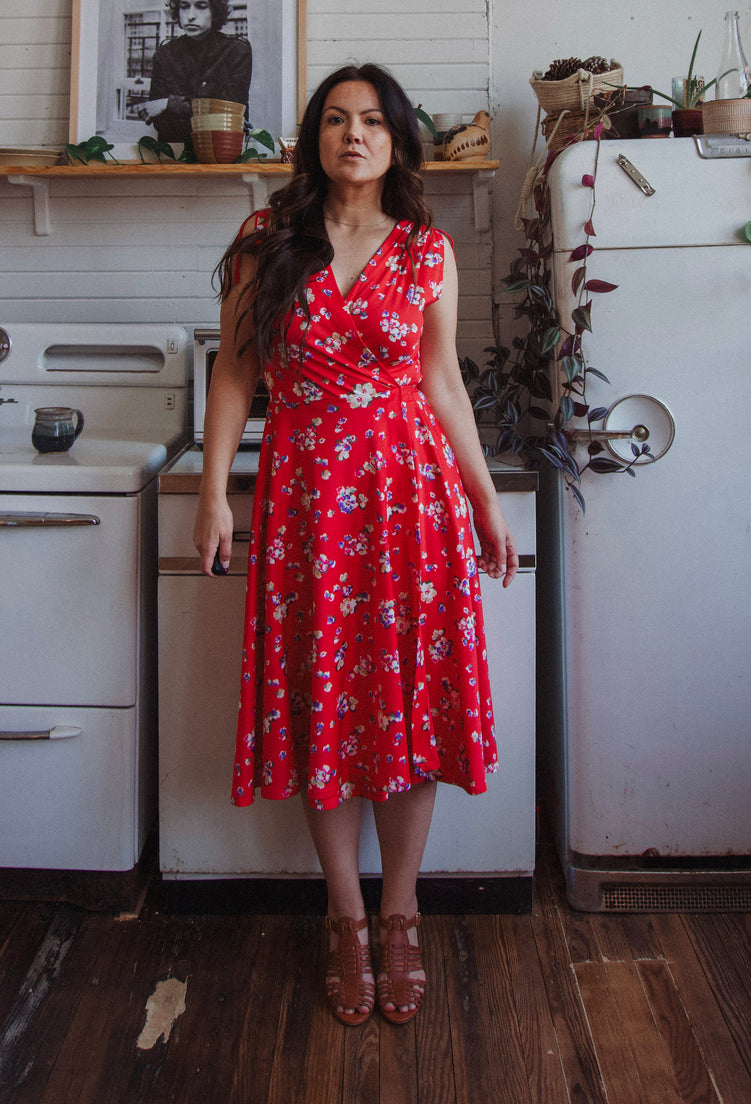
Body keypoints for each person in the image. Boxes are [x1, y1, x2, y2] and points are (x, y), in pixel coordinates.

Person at [193, 62, 519, 1027]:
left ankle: (402, 912)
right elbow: (235, 381)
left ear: (397, 139)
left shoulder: (426, 248)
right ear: (315, 137)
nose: (353, 135)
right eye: (335, 120)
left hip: (411, 504)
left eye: (372, 121)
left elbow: (443, 390)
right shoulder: (266, 241)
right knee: (327, 709)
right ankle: (345, 919)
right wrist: (214, 496)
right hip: (305, 508)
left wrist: (485, 501)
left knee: (407, 707)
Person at [138, 0, 252, 143]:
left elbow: (230, 114)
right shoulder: (164, 54)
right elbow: (161, 123)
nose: (190, 16)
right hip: (174, 151)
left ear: (215, 11)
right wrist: (210, 111)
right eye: (184, 7)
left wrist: (168, 104)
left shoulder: (237, 51)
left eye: (201, 6)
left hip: (220, 151)